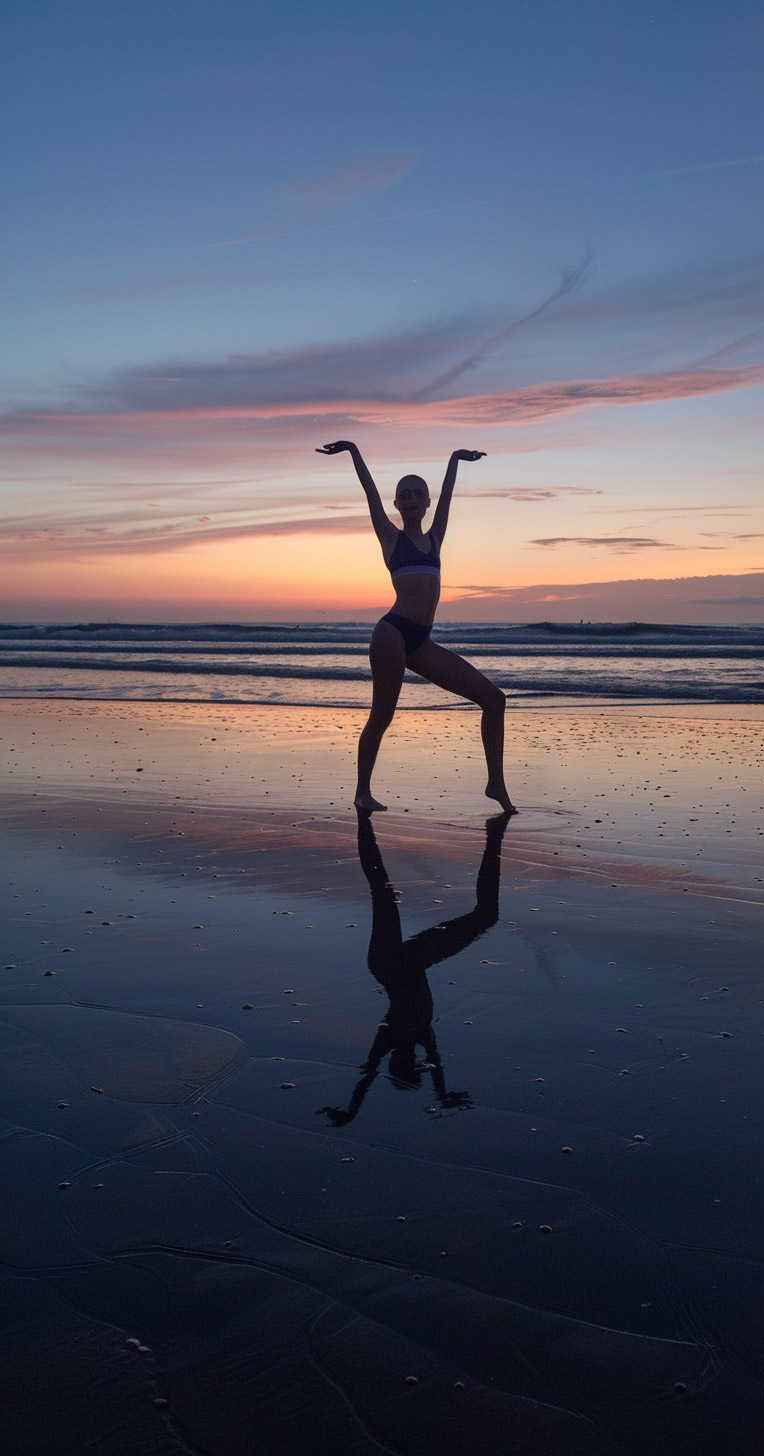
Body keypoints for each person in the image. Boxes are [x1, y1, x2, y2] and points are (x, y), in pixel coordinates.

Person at [316, 440, 515, 813]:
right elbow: (369, 492)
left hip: (421, 641)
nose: (409, 500)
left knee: (494, 699)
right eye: (403, 495)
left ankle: (496, 785)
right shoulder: (391, 537)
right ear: (397, 505)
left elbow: (450, 497)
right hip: (391, 634)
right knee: (382, 714)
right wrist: (354, 450)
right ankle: (362, 792)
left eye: (417, 495)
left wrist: (455, 459)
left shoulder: (434, 537)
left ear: (426, 502)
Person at [316, 810, 509, 1127]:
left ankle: (364, 820)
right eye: (415, 1064)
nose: (414, 1060)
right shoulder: (421, 1037)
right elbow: (433, 1066)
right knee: (387, 891)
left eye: (408, 1065)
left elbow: (368, 1073)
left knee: (384, 891)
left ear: (400, 1061)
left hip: (391, 965)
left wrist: (352, 1111)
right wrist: (441, 1092)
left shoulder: (393, 1036)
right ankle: (493, 836)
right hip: (400, 965)